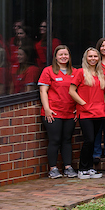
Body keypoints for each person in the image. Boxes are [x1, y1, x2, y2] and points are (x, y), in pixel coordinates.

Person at [38, 44, 78, 179]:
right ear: (55, 57)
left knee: (67, 140)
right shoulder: (48, 71)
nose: (63, 57)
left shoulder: (75, 72)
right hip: (53, 112)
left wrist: (78, 108)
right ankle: (53, 168)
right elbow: (43, 91)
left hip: (70, 112)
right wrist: (47, 109)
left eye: (66, 54)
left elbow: (79, 92)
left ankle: (68, 167)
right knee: (54, 139)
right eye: (60, 54)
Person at [69, 47, 105, 179]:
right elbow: (72, 91)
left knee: (94, 141)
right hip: (85, 112)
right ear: (86, 58)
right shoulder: (81, 72)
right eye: (90, 56)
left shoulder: (101, 73)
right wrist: (83, 104)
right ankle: (82, 169)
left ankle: (90, 168)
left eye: (95, 56)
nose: (93, 59)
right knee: (89, 140)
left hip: (99, 111)